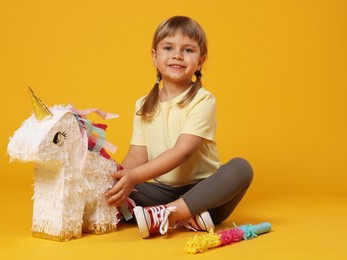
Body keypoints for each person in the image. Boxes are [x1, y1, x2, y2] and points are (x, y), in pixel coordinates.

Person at [105, 16, 253, 238]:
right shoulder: (143, 105)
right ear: (155, 57)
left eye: (188, 50)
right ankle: (185, 218)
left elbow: (182, 151)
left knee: (241, 168)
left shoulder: (203, 101)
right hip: (162, 192)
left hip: (206, 193)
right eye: (168, 48)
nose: (177, 55)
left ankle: (168, 215)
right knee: (116, 192)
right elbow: (137, 155)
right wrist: (119, 179)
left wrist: (135, 176)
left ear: (200, 61)